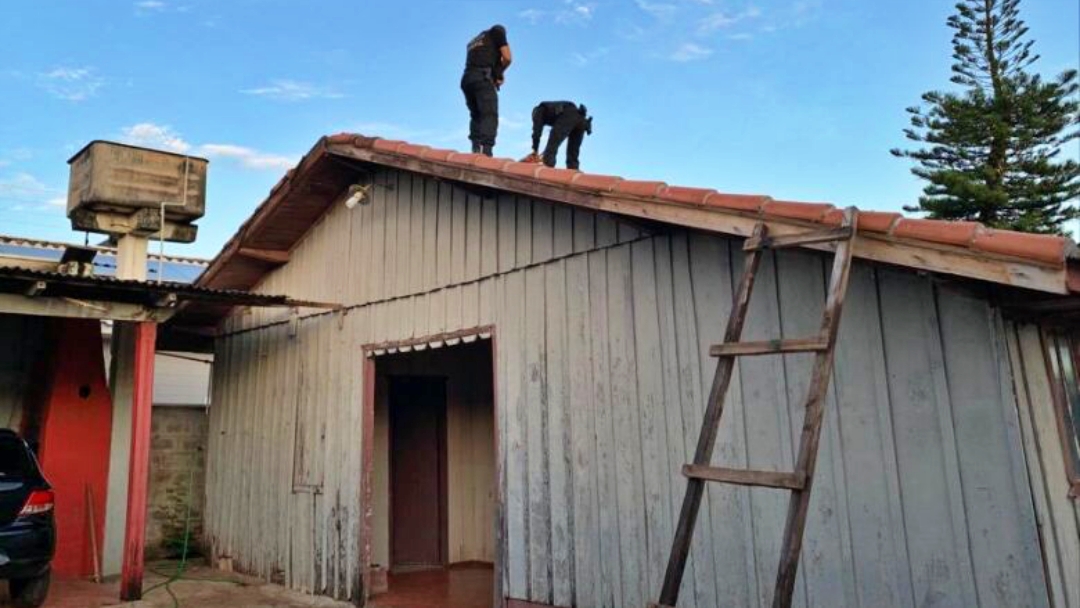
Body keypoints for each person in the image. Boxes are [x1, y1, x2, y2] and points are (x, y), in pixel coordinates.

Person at [461, 25, 512, 157]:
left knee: (476, 115)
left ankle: (476, 149)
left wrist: (496, 75)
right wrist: (499, 72)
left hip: (467, 80)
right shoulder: (497, 31)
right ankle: (487, 153)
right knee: (489, 114)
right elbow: (507, 58)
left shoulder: (473, 41)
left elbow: (482, 57)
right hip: (482, 77)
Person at [530, 101, 593, 170]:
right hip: (581, 120)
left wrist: (535, 150)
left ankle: (548, 169)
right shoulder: (551, 110)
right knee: (573, 152)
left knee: (552, 146)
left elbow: (537, 133)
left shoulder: (539, 110)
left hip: (568, 114)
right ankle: (573, 170)